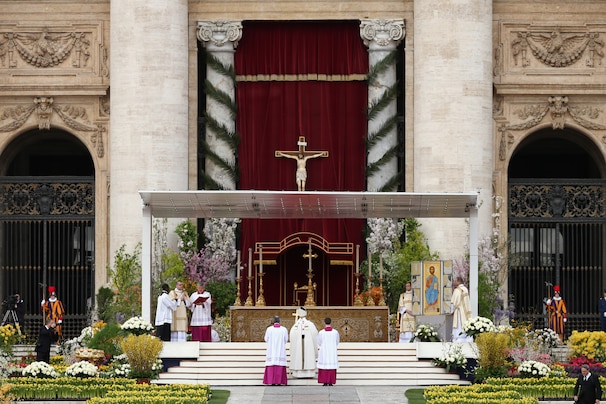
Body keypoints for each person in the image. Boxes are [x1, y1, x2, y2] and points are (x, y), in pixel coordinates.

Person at [289, 307, 318, 378]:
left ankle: (299, 373)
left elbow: (291, 336)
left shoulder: (295, 326)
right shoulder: (310, 324)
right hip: (307, 344)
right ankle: (307, 373)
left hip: (303, 344)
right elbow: (315, 335)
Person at [263, 315, 289, 386]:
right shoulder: (284, 329)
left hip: (272, 350)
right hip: (280, 350)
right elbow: (286, 340)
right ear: (279, 321)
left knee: (272, 363)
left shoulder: (269, 329)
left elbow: (266, 339)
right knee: (279, 364)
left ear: (273, 321)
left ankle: (271, 381)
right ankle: (279, 381)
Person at [317, 317, 339, 386]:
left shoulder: (321, 332)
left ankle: (325, 381)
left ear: (324, 322)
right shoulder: (335, 332)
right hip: (332, 351)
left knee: (324, 366)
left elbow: (319, 342)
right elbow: (337, 341)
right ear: (331, 322)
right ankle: (330, 381)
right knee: (331, 366)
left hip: (324, 352)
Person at [451, 277, 472, 342]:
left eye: (455, 281)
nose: (454, 282)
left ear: (458, 281)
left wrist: (452, 311)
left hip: (459, 311)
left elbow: (454, 302)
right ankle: (466, 338)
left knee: (459, 324)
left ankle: (458, 337)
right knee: (465, 323)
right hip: (465, 311)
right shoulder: (465, 289)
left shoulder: (457, 290)